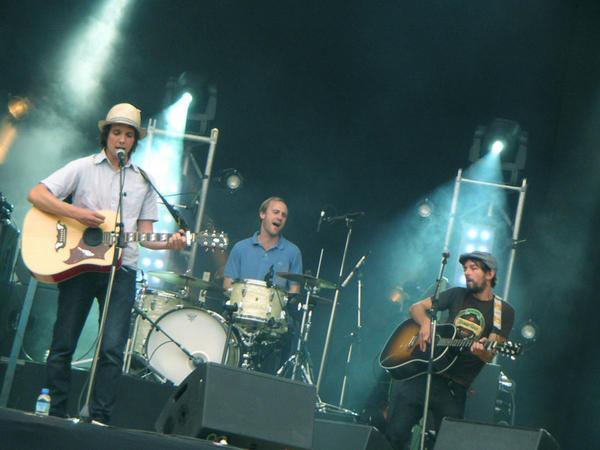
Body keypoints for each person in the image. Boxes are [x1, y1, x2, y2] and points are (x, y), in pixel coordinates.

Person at [27, 103, 187, 424]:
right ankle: (54, 413)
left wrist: (170, 242)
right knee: (64, 343)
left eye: (129, 135)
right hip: (80, 265)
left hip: (121, 270)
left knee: (113, 349)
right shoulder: (83, 167)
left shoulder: (143, 180)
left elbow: (144, 236)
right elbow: (37, 194)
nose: (122, 139)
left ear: (134, 142)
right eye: (117, 132)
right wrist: (77, 214)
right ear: (107, 135)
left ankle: (99, 418)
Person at [385, 251, 515, 449]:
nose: (467, 273)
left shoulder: (502, 311)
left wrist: (480, 350)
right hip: (425, 374)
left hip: (455, 388)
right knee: (395, 434)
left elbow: (489, 354)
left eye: (474, 268)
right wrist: (426, 323)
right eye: (465, 269)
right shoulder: (456, 294)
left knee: (448, 444)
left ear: (490, 274)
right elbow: (416, 308)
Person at [223, 196, 303, 373]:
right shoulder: (241, 248)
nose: (280, 217)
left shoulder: (292, 252)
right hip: (239, 319)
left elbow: (294, 290)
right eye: (276, 212)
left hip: (272, 324)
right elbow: (228, 285)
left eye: (284, 215)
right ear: (262, 214)